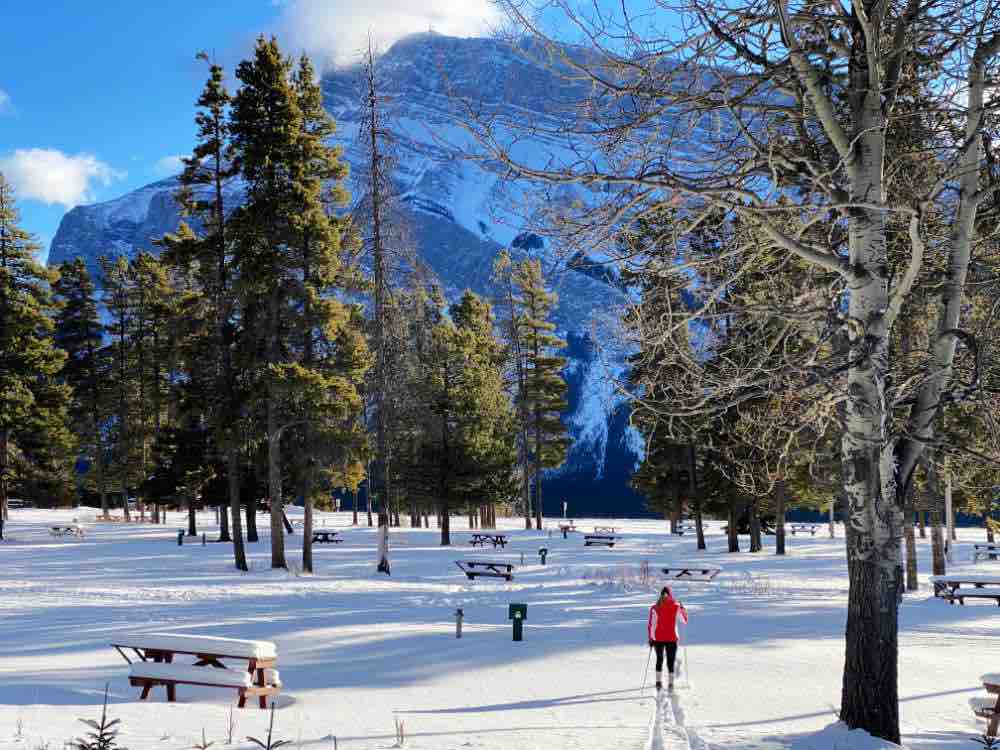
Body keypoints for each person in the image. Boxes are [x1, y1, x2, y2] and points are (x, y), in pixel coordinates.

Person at [647, 586, 688, 691]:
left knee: (659, 659)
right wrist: (683, 609)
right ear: (670, 594)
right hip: (672, 638)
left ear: (661, 594)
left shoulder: (655, 607)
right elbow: (684, 620)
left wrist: (651, 638)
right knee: (671, 661)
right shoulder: (676, 606)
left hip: (658, 638)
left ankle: (658, 682)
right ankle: (670, 684)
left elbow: (652, 625)